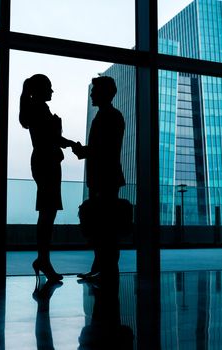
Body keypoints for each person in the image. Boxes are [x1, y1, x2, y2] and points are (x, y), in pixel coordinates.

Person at [19, 73, 74, 283]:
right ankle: (43, 260)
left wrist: (65, 140)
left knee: (47, 213)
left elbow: (51, 138)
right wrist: (64, 135)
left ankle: (43, 259)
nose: (52, 91)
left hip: (44, 161)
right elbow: (52, 138)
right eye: (49, 87)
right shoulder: (39, 109)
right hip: (47, 162)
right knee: (47, 215)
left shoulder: (36, 109)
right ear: (41, 90)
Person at [72, 75, 125, 283]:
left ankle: (105, 269)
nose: (92, 93)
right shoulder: (107, 115)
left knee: (105, 228)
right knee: (101, 226)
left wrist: (83, 151)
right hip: (103, 178)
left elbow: (104, 150)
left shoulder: (109, 116)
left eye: (95, 90)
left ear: (105, 92)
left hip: (106, 178)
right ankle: (100, 268)